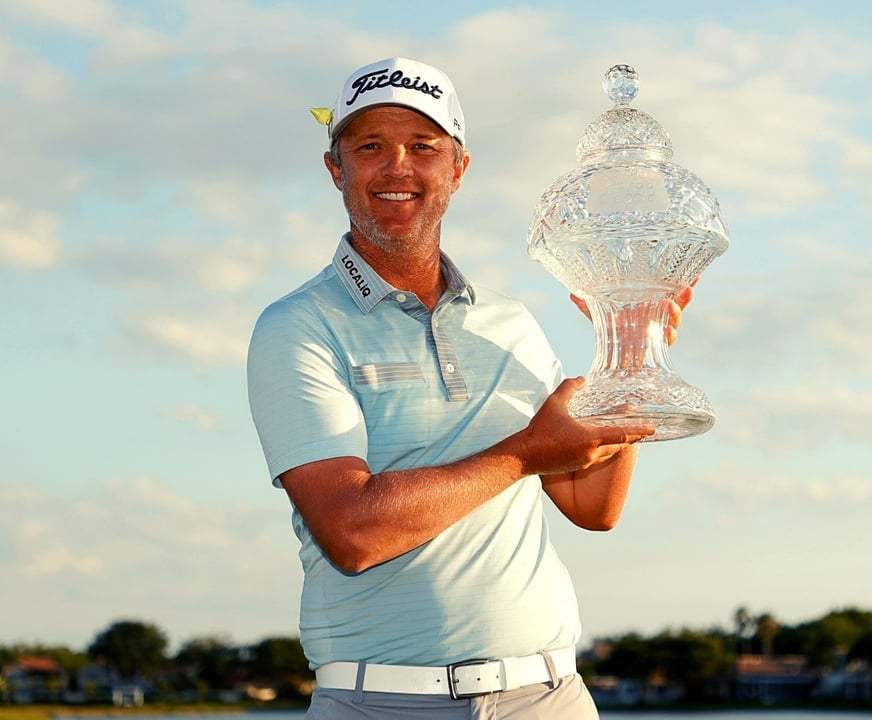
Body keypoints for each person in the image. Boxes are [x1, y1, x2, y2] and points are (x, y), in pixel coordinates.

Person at [247, 57, 691, 719]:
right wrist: (523, 454)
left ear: (457, 169)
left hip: (549, 697)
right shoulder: (297, 328)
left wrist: (626, 358)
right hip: (381, 701)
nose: (398, 166)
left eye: (424, 147)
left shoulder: (509, 323)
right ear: (336, 169)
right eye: (370, 146)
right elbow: (351, 531)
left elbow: (591, 503)